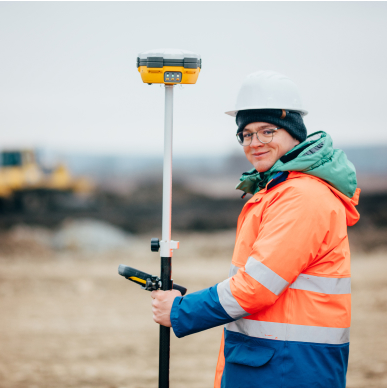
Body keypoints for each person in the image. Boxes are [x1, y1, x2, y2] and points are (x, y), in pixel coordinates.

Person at [151, 70, 361, 388]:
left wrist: (182, 311)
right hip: (270, 360)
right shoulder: (276, 191)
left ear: (294, 134)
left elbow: (257, 286)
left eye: (267, 131)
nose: (255, 143)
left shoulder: (301, 197)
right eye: (247, 134)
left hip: (288, 367)